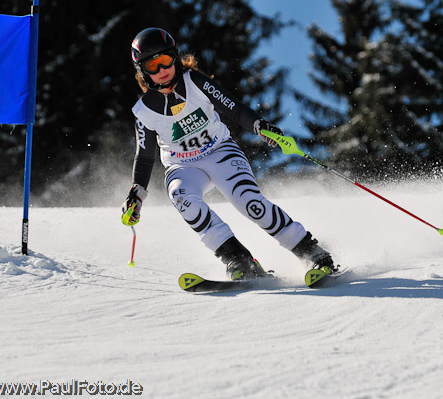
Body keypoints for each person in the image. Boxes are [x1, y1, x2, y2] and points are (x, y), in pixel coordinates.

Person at [122, 27, 338, 280]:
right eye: (152, 66)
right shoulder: (143, 111)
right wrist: (137, 192)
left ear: (175, 57)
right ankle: (240, 261)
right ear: (143, 72)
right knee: (182, 198)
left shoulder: (195, 82)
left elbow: (233, 108)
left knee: (249, 201)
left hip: (219, 152)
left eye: (165, 61)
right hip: (182, 167)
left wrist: (260, 125)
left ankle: (317, 256)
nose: (161, 70)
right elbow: (145, 156)